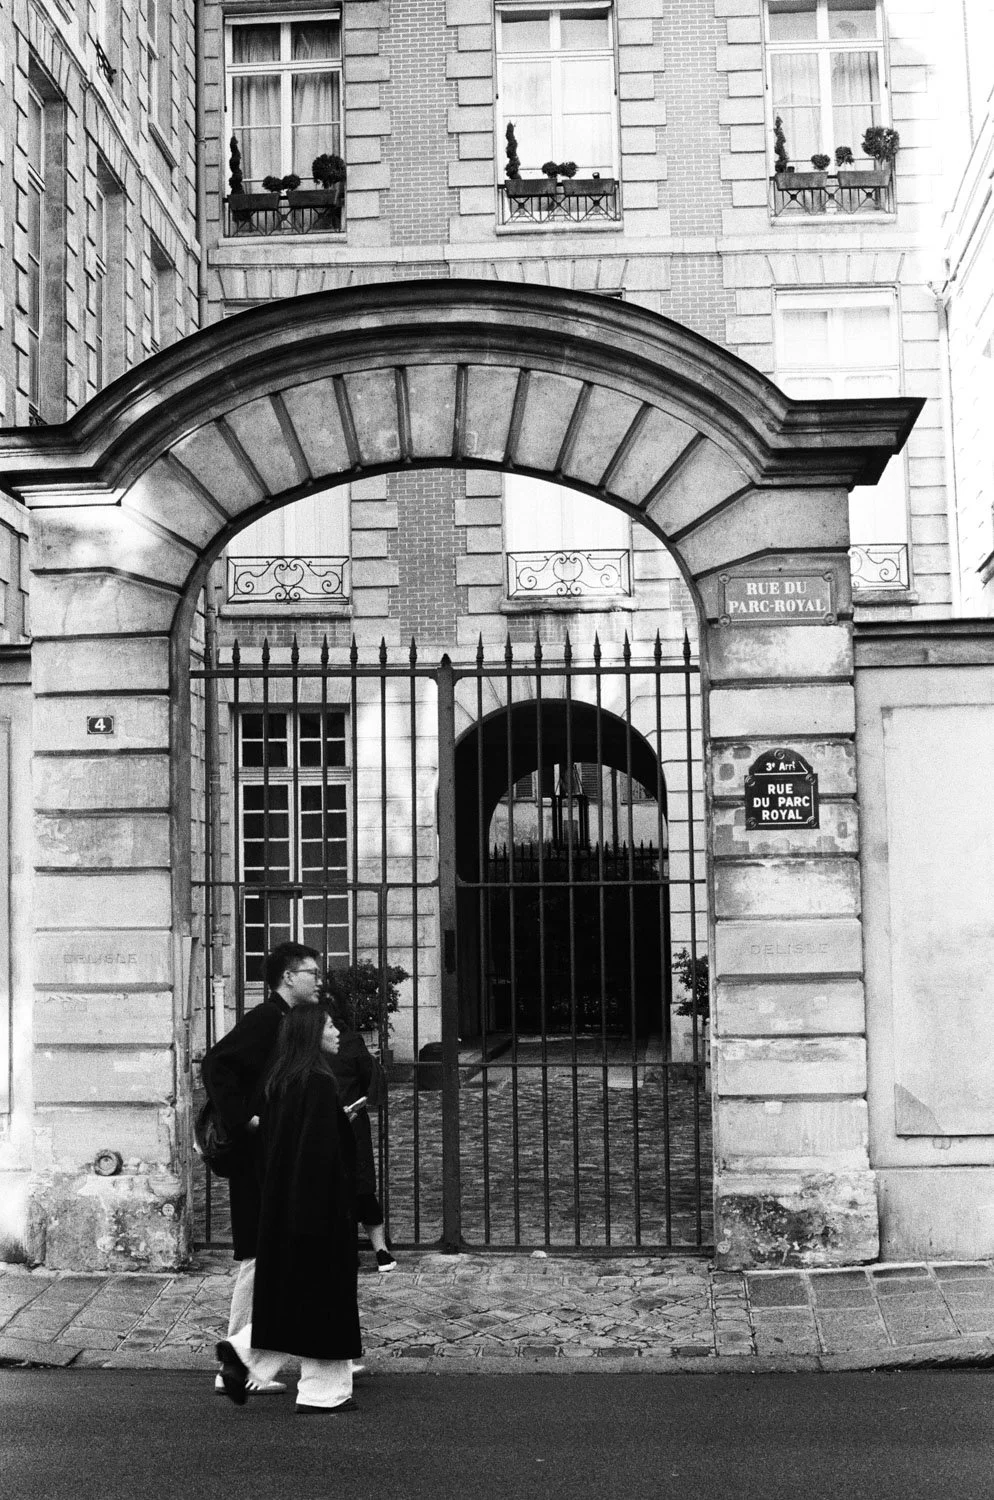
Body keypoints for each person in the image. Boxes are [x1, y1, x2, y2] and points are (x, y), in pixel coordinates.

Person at [216, 1005, 363, 1413]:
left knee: (303, 1300)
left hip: (285, 1204)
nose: (338, 1032)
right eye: (331, 1025)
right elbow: (314, 1155)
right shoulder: (317, 1082)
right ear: (311, 1033)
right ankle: (318, 1391)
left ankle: (258, 1361)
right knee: (324, 1301)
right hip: (316, 1209)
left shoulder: (283, 1081)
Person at [201, 941, 322, 1395]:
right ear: (288, 977)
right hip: (257, 1161)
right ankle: (235, 1361)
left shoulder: (289, 1021)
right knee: (257, 1256)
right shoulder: (267, 1018)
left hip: (273, 1156)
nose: (318, 978)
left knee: (269, 1257)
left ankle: (255, 1360)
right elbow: (217, 1064)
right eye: (311, 971)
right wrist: (245, 1119)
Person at [325, 1007, 396, 1272]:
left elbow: (370, 1075)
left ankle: (380, 1249)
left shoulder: (350, 1041)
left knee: (361, 1186)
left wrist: (361, 1102)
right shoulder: (303, 1046)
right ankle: (347, 1248)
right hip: (320, 1124)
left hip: (351, 1122)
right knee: (332, 1189)